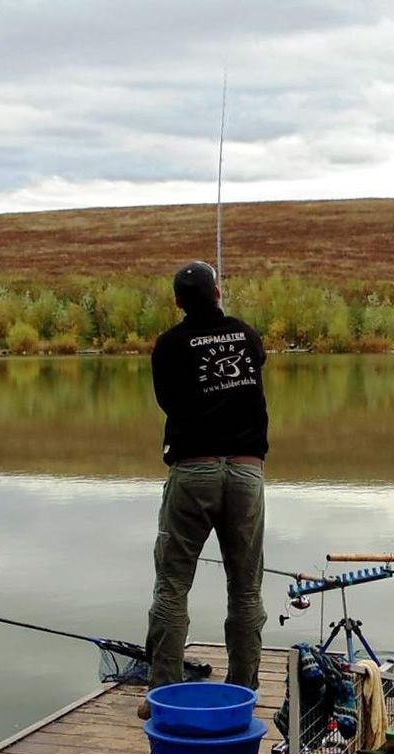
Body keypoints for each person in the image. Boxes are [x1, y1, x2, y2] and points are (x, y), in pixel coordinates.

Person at [139, 261, 269, 718]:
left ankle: (162, 696)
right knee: (247, 590)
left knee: (173, 587)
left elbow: (169, 403)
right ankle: (243, 691)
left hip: (192, 472)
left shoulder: (169, 345)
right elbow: (258, 359)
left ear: (177, 301)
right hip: (246, 473)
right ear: (217, 293)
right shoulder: (246, 334)